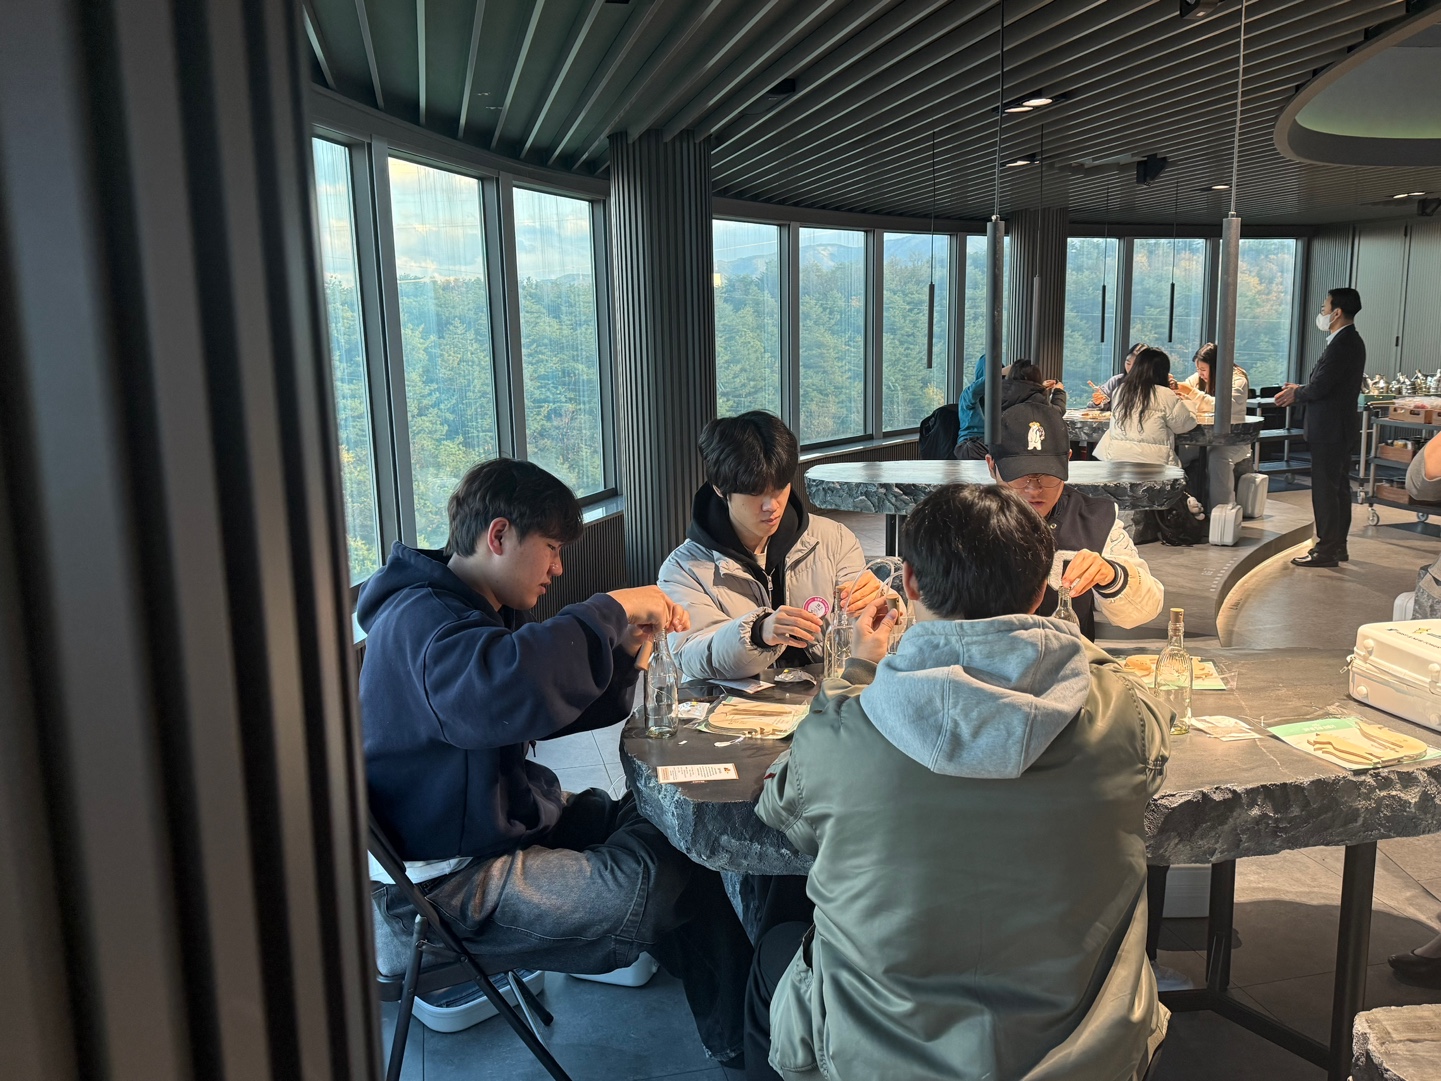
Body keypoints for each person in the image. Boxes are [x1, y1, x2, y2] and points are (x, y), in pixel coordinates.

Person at [743, 483, 1171, 1081]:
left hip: (880, 1056)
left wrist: (857, 669)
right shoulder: (1122, 712)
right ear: (1041, 590)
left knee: (774, 949)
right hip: (1087, 1055)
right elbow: (1150, 749)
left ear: (910, 584)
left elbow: (782, 806)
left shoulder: (842, 729)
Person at [360, 458, 752, 1065]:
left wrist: (620, 654)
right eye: (552, 549)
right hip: (444, 888)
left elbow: (529, 704)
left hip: (495, 826)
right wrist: (611, 608)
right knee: (652, 881)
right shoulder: (422, 621)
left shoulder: (456, 611)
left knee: (681, 832)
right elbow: (504, 686)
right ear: (499, 535)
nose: (558, 568)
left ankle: (744, 1044)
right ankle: (747, 1037)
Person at [659, 411, 882, 682]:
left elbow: (860, 633)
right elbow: (692, 654)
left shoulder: (834, 541)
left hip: (822, 699)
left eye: (779, 488)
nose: (772, 506)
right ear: (719, 489)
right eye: (756, 493)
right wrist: (758, 633)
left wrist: (881, 606)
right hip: (731, 705)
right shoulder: (683, 569)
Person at [987, 401, 1164, 640]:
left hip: (1071, 659)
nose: (1034, 489)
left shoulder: (1097, 519)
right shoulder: (966, 521)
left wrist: (1111, 575)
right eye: (1020, 475)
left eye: (1048, 474)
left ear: (1067, 461)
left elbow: (1146, 610)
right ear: (992, 465)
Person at [1277, 287, 1368, 568]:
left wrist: (1298, 393)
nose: (1322, 313)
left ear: (1337, 312)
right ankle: (1337, 545)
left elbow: (1322, 387)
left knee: (1326, 490)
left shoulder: (1342, 344)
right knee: (1337, 488)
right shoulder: (1348, 341)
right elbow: (1328, 384)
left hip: (1330, 428)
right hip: (1338, 427)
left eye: (1324, 308)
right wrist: (1302, 388)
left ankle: (1326, 549)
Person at [1176, 342, 1253, 509]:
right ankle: (1179, 507)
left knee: (1218, 458)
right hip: (1202, 438)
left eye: (1203, 369)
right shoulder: (1198, 378)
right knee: (1175, 454)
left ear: (1216, 366)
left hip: (1233, 440)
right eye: (1198, 369)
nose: (1200, 374)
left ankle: (1222, 511)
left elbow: (1223, 407)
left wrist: (1190, 393)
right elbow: (1185, 391)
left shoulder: (1238, 380)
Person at [1095, 347, 1198, 466]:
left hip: (1117, 462)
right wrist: (1188, 403)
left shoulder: (1121, 391)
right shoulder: (1165, 394)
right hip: (1156, 464)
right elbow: (1184, 425)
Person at [955, 358, 1066, 460]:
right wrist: (999, 373)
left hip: (996, 445)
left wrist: (1039, 387)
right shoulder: (969, 395)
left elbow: (1020, 394)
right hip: (974, 446)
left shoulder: (1004, 397)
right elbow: (976, 389)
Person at [1091, 342, 1148, 407]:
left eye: (1136, 365)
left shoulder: (1153, 386)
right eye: (1128, 363)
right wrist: (1097, 402)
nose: (1130, 368)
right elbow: (1094, 406)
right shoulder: (1116, 381)